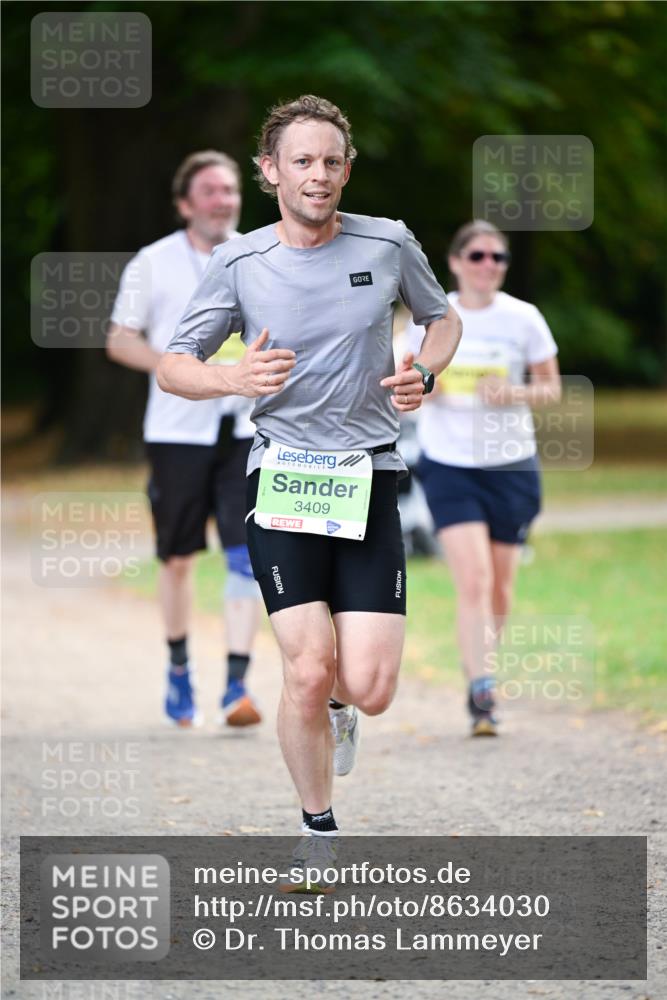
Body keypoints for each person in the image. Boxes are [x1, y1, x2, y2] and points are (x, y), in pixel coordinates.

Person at [157, 95, 461, 879]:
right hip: (283, 479)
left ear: (346, 169)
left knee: (369, 686)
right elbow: (173, 363)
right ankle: (316, 829)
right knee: (305, 665)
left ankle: (340, 710)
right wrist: (232, 374)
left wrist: (424, 369)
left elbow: (441, 318)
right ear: (269, 172)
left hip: (369, 477)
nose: (317, 174)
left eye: (330, 161)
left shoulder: (388, 243)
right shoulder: (240, 262)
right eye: (301, 161)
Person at [107, 150, 263, 729]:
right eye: (210, 191)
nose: (223, 199)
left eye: (230, 190)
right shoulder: (153, 262)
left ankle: (237, 686)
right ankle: (178, 672)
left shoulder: (260, 254)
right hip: (177, 428)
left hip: (247, 427)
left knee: (246, 553)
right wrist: (181, 368)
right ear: (185, 204)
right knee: (176, 559)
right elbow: (120, 341)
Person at [406, 220, 561, 736]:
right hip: (450, 465)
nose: (488, 265)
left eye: (498, 257)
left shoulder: (524, 318)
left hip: (512, 466)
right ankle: (481, 690)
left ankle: (486, 669)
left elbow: (551, 389)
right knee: (472, 581)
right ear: (455, 262)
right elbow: (402, 387)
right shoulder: (431, 317)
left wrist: (512, 393)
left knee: (500, 588)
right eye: (477, 256)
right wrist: (432, 389)